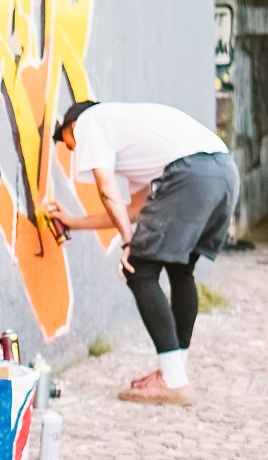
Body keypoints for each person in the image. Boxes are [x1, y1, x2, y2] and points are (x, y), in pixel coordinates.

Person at [48, 99, 239, 406]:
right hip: (223, 172)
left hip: (191, 175)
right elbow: (134, 209)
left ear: (72, 125)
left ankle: (174, 381)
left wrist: (128, 244)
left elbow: (105, 188)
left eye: (66, 142)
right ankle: (173, 373)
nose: (70, 150)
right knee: (181, 270)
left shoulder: (90, 122)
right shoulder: (131, 139)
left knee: (138, 271)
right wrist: (75, 223)